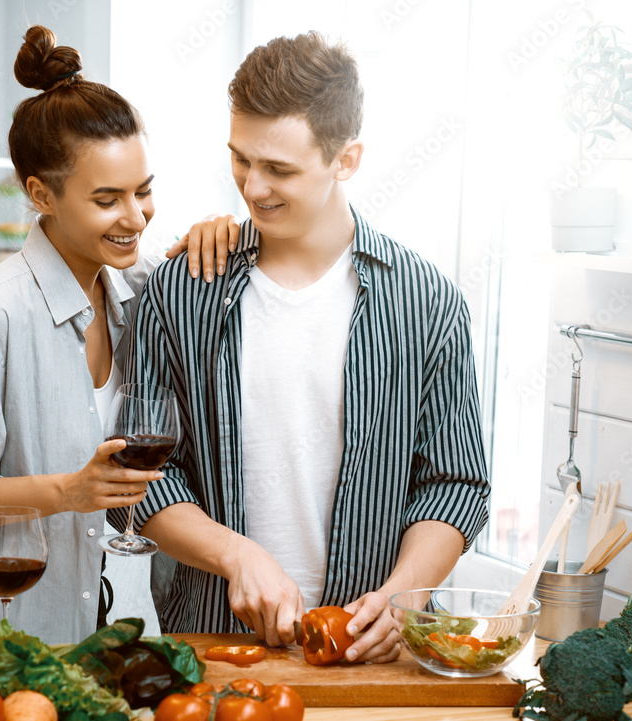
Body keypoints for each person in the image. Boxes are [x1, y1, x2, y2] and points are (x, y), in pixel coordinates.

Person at [113, 32, 490, 664]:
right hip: (213, 647)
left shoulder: (428, 302)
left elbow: (453, 482)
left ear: (346, 159)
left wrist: (403, 598)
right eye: (241, 160)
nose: (253, 189)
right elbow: (141, 476)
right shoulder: (181, 289)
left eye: (279, 169)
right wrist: (236, 556)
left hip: (372, 653)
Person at [0, 25, 235, 649]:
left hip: (127, 628)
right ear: (42, 195)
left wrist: (224, 232)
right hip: (17, 634)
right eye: (107, 199)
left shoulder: (146, 290)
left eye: (143, 191)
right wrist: (69, 492)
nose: (136, 217)